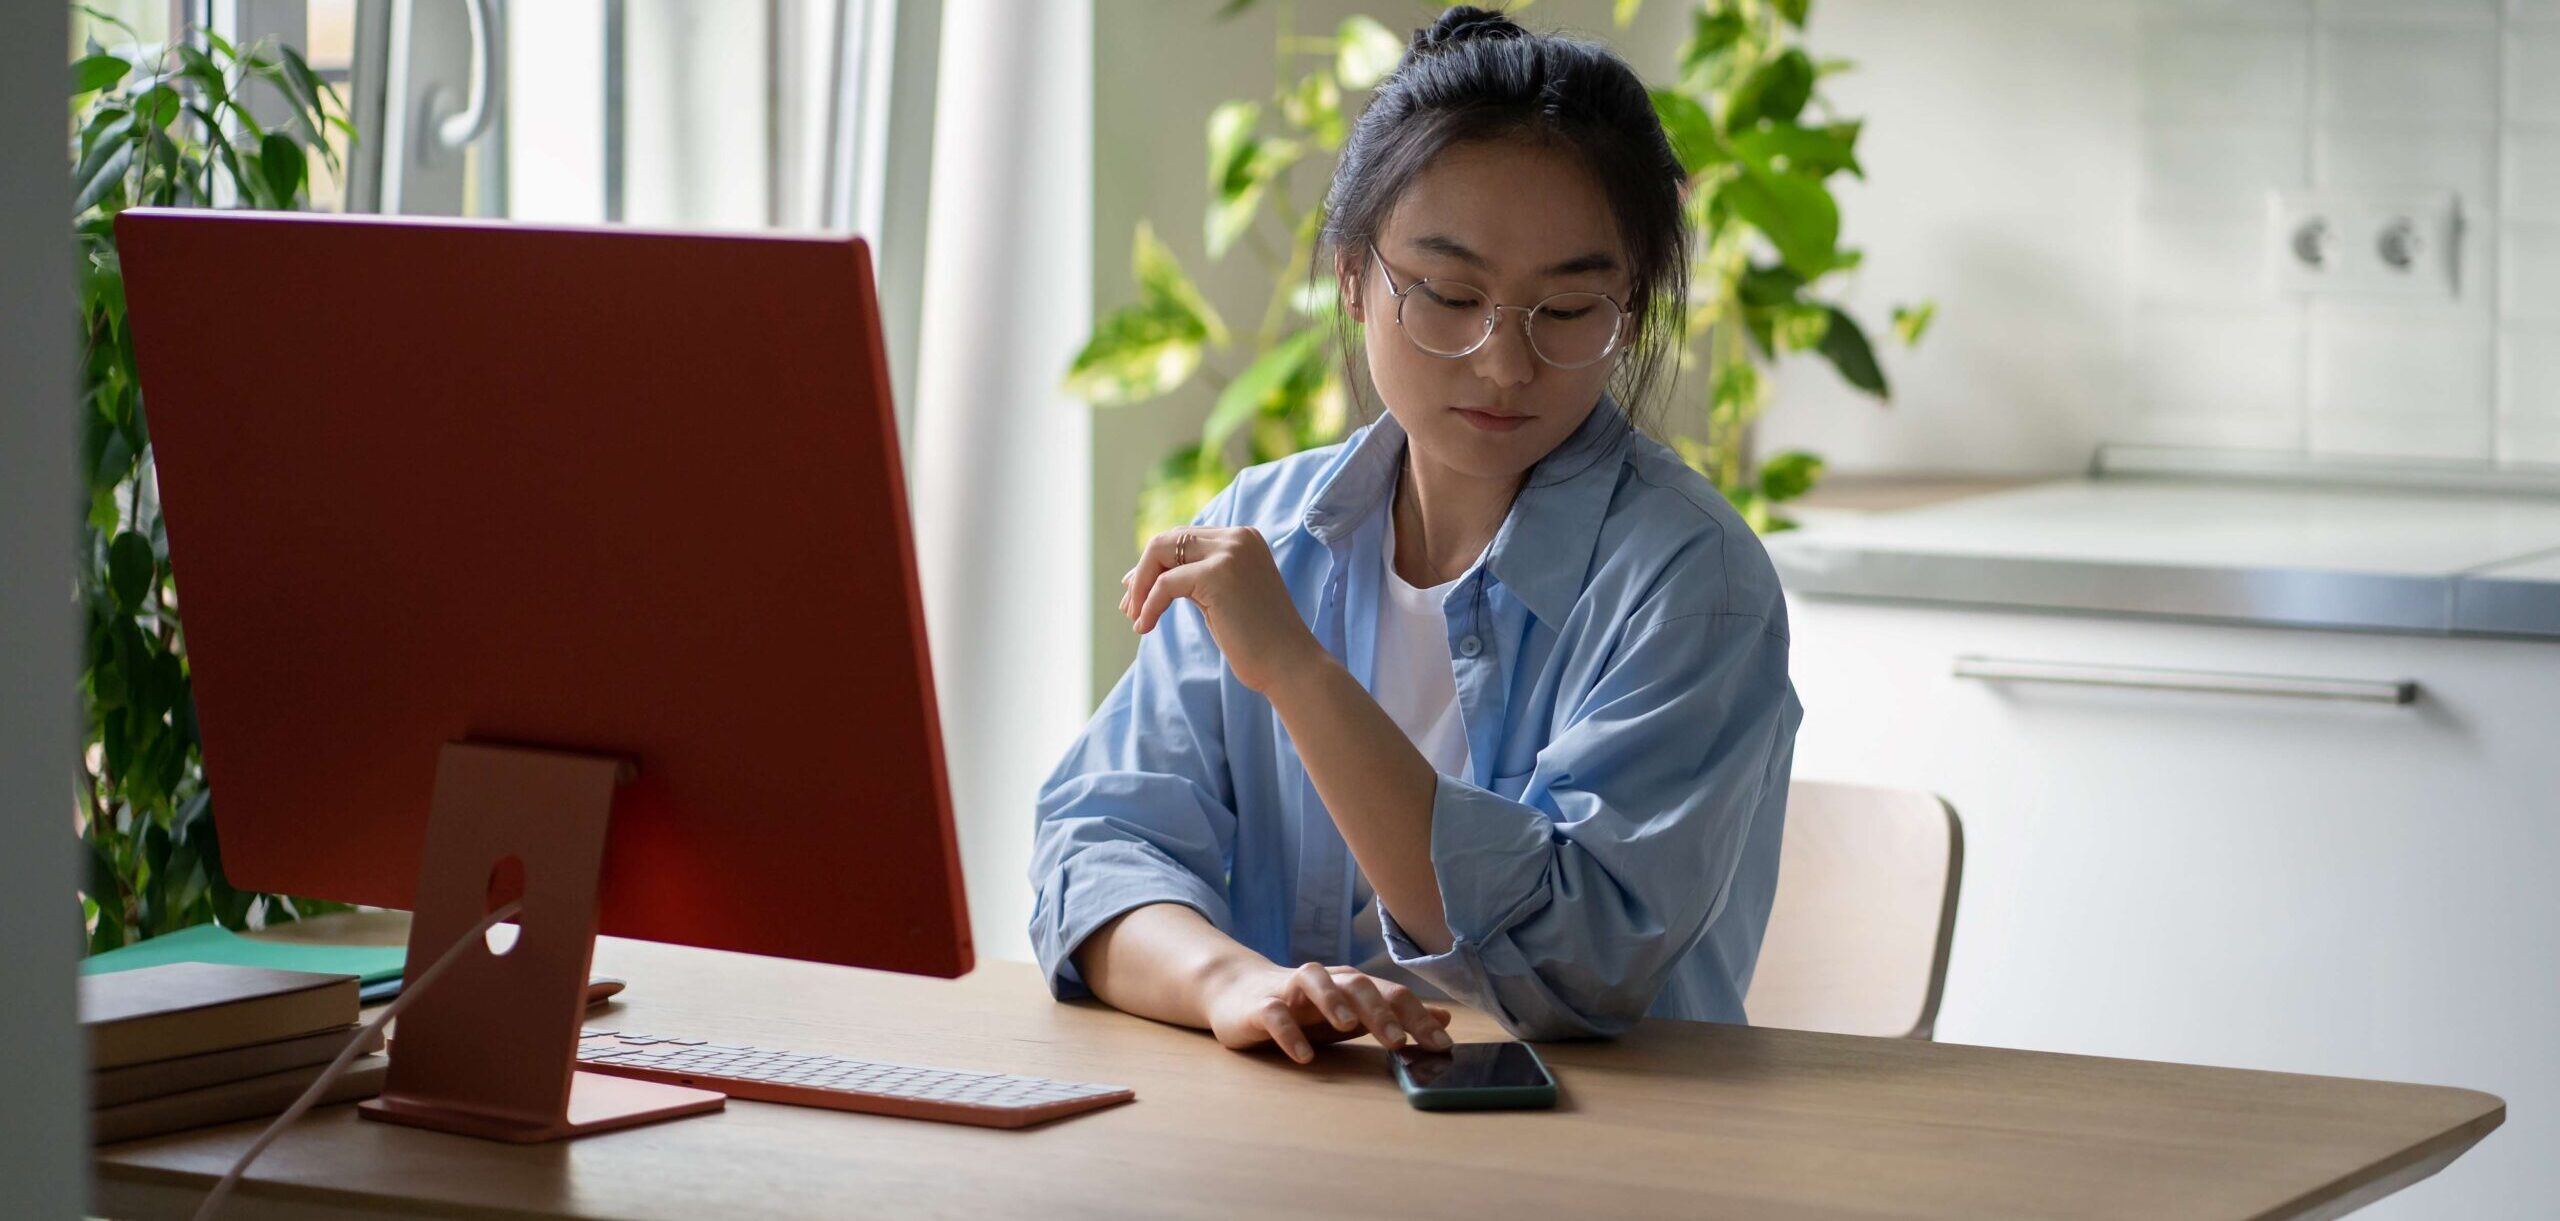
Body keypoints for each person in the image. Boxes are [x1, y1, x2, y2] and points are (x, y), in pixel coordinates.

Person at [1028, 5, 1802, 1062]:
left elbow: (1579, 959)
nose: (1503, 364)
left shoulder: (1692, 581)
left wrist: (1298, 671)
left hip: (1606, 1158)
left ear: (1632, 310)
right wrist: (1235, 984)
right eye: (1448, 294)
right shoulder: (1259, 530)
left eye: (1568, 312)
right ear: (1352, 276)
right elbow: (1094, 848)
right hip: (1289, 1144)